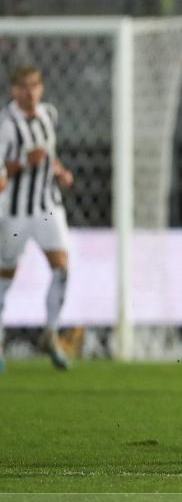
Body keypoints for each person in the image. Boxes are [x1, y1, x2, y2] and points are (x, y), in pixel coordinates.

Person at [0, 66, 75, 372]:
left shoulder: (49, 114)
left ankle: (51, 333)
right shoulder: (5, 126)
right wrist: (20, 164)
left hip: (47, 207)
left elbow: (49, 154)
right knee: (5, 278)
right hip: (15, 212)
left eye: (34, 86)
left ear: (41, 88)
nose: (29, 92)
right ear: (13, 91)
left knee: (62, 270)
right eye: (23, 87)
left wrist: (59, 171)